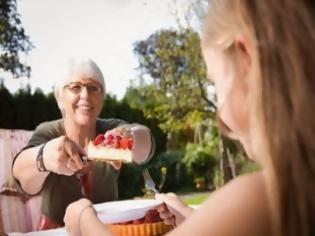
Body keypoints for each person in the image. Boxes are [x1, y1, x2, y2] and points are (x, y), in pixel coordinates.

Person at [63, 0, 315, 236]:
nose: (221, 117)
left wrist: (85, 220)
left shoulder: (263, 197)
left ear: (247, 58)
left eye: (216, 85)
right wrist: (195, 221)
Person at [12, 57, 155, 230]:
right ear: (59, 97)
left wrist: (127, 137)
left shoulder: (111, 128)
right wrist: (45, 156)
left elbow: (145, 146)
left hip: (106, 231)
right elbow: (22, 178)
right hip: (57, 232)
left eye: (93, 88)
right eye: (75, 88)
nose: (85, 96)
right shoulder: (48, 132)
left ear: (102, 97)